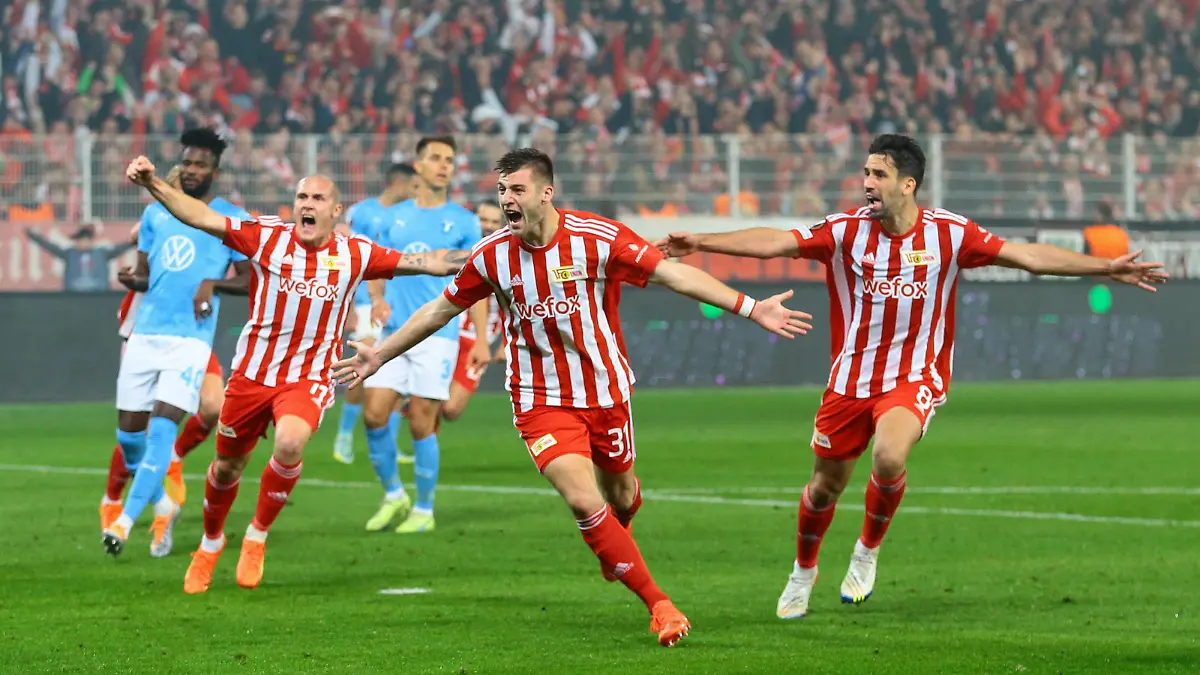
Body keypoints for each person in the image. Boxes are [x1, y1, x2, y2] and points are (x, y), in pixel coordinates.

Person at [654, 133, 1169, 620]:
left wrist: (1104, 267)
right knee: (822, 489)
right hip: (850, 380)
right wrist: (700, 240)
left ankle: (866, 551)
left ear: (908, 184)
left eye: (879, 174)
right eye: (865, 172)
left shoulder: (950, 233)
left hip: (915, 374)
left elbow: (1027, 256)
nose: (867, 183)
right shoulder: (844, 231)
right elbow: (774, 241)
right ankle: (803, 571)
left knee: (889, 454)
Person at [332, 148, 814, 647]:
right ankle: (660, 605)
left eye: (517, 190)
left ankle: (617, 538)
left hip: (604, 391)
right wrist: (379, 355)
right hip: (540, 400)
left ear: (546, 192)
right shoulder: (493, 255)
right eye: (501, 191)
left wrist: (752, 307)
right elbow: (439, 310)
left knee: (620, 496)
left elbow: (674, 274)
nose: (506, 200)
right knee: (584, 501)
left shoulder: (596, 238)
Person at [123, 155, 467, 593]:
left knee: (289, 442)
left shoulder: (355, 253)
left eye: (318, 197)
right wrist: (153, 182)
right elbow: (201, 215)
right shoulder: (267, 237)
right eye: (302, 196)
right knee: (227, 467)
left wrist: (501, 252)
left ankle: (256, 536)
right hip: (251, 375)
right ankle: (210, 543)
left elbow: (430, 262)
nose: (307, 203)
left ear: (335, 210)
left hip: (308, 377)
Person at [102, 129, 253, 559]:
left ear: (215, 172)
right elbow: (146, 274)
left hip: (190, 343)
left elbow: (247, 279)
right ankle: (161, 503)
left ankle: (124, 524)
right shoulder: (155, 215)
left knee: (162, 434)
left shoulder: (229, 219)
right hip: (145, 336)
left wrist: (212, 284)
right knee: (129, 438)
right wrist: (134, 280)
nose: (190, 171)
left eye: (199, 165)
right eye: (186, 163)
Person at [359, 136, 487, 535]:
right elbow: (376, 268)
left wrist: (481, 338)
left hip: (439, 333)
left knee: (421, 422)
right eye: (435, 158)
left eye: (449, 159)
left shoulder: (464, 221)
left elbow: (477, 282)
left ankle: (425, 509)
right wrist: (377, 299)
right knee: (374, 414)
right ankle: (395, 495)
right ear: (418, 166)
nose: (444, 165)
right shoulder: (391, 217)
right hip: (393, 333)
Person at [332, 163, 421, 465]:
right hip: (364, 300)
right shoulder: (362, 212)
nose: (415, 193)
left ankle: (390, 443)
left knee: (393, 370)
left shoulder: (407, 216)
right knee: (365, 364)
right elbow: (348, 257)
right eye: (412, 186)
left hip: (394, 301)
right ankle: (343, 435)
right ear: (398, 183)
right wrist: (347, 308)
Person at [440, 200, 506, 423]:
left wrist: (505, 343)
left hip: (478, 341)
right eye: (483, 219)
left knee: (451, 409)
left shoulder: (507, 258)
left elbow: (517, 304)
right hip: (447, 332)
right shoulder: (457, 251)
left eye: (494, 222)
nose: (487, 226)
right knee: (430, 399)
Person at [26, 223, 135, 292]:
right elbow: (49, 246)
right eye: (78, 240)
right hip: (74, 295)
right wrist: (33, 236)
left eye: (81, 239)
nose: (79, 243)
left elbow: (122, 247)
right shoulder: (70, 253)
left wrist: (136, 241)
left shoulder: (102, 253)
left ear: (89, 240)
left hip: (98, 295)